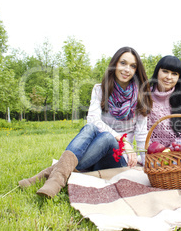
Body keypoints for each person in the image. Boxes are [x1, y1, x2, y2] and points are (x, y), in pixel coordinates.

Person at [19, 47, 152, 198]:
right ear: (114, 64)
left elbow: (142, 136)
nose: (127, 69)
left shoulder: (141, 96)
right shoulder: (99, 89)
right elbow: (93, 120)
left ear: (136, 70)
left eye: (132, 66)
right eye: (123, 63)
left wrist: (145, 162)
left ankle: (47, 176)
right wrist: (122, 139)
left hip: (117, 159)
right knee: (90, 127)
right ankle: (57, 179)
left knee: (107, 138)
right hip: (95, 155)